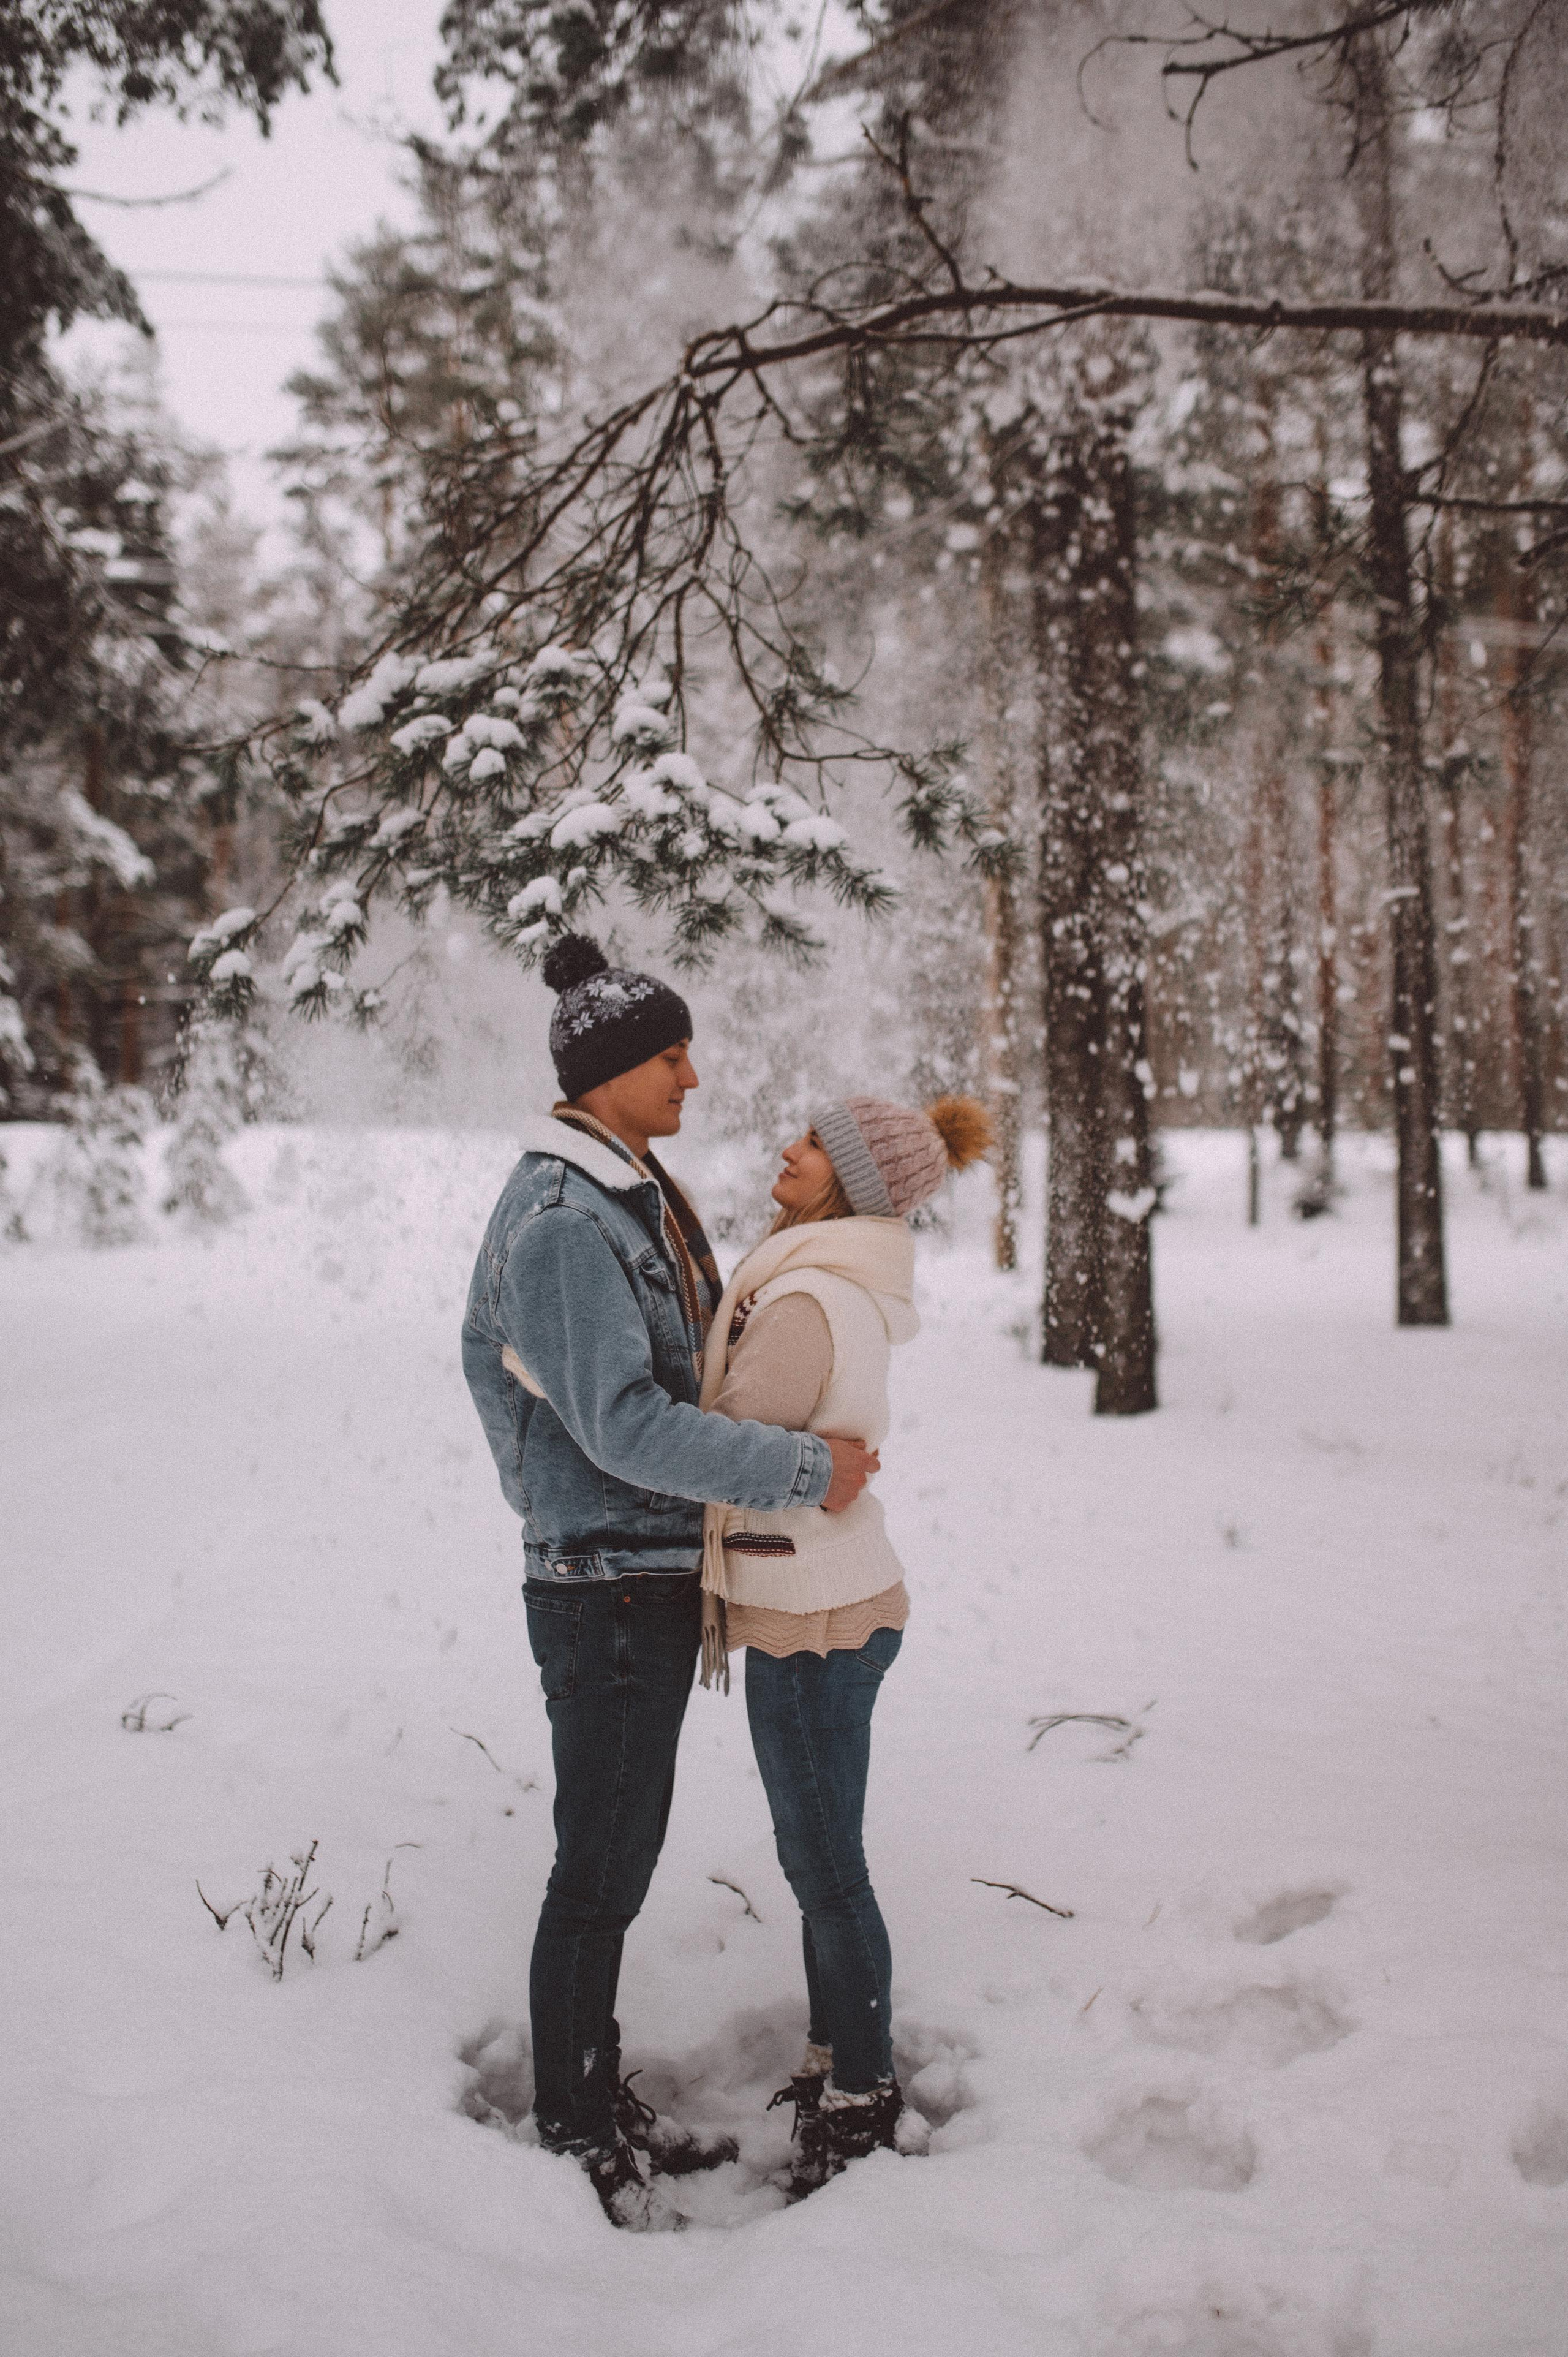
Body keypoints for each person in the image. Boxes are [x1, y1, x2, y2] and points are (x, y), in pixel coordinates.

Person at [461, 932, 878, 2230]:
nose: (692, 1076)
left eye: (688, 1049)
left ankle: (588, 2102)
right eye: (669, 1055)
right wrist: (801, 1467)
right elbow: (626, 1426)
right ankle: (574, 2126)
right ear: (606, 1071)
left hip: (643, 1571)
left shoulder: (630, 1187)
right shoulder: (562, 1219)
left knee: (613, 1855)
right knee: (600, 1864)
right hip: (604, 1583)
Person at [699, 1092, 992, 2199]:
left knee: (825, 1870)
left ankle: (863, 2098)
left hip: (812, 1619)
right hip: (839, 1603)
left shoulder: (808, 1298)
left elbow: (718, 1444)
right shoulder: (829, 1281)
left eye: (814, 1143)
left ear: (851, 1184)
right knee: (826, 1860)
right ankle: (837, 2061)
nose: (788, 1147)